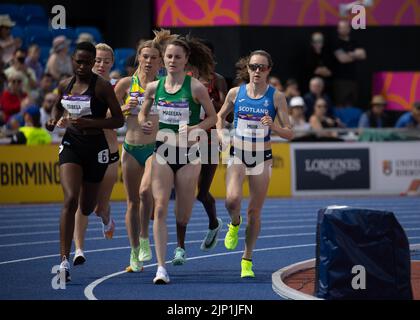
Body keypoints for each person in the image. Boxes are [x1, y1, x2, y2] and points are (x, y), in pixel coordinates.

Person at [138, 36, 217, 284]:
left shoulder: (195, 87)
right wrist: (144, 121)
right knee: (159, 206)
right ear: (164, 59)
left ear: (186, 61)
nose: (172, 61)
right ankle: (161, 267)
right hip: (162, 150)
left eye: (177, 57)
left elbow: (213, 118)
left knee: (182, 213)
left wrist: (196, 128)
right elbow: (142, 111)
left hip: (188, 155)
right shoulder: (154, 87)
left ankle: (180, 245)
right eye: (169, 56)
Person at [45, 42, 124, 282]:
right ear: (72, 60)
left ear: (92, 63)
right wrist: (53, 120)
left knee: (87, 206)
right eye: (78, 62)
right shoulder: (65, 84)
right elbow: (57, 107)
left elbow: (119, 120)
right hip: (71, 145)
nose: (82, 66)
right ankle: (63, 260)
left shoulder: (101, 88)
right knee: (70, 199)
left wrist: (92, 123)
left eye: (86, 63)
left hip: (96, 148)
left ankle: (99, 216)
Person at [216, 50, 293, 278]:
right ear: (247, 68)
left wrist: (274, 127)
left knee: (254, 211)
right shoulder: (234, 93)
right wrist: (221, 135)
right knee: (232, 200)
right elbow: (220, 117)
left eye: (262, 67)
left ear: (269, 70)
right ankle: (234, 222)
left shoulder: (276, 97)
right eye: (253, 66)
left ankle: (247, 259)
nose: (257, 71)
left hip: (262, 158)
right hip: (238, 152)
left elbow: (290, 133)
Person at [114, 38, 165, 273]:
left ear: (160, 62)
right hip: (130, 148)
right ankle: (134, 251)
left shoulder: (165, 86)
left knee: (146, 192)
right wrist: (124, 109)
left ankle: (145, 238)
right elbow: (108, 116)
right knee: (132, 202)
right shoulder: (125, 84)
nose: (148, 61)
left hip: (155, 149)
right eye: (145, 57)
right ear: (139, 58)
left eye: (153, 58)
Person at [72, 43, 120, 265]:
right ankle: (79, 250)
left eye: (105, 61)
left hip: (108, 152)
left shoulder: (116, 86)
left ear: (112, 63)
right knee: (82, 203)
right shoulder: (77, 84)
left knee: (100, 208)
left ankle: (107, 219)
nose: (101, 64)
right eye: (97, 60)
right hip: (81, 149)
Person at [178, 37, 226, 253]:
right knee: (184, 191)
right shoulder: (184, 78)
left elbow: (227, 111)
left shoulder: (218, 80)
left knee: (201, 193)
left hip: (210, 140)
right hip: (185, 140)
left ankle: (214, 223)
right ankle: (180, 246)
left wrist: (207, 99)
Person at [332, 19, 367, 107]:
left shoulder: (354, 42)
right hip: (340, 80)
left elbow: (363, 55)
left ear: (349, 29)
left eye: (345, 27)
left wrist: (349, 54)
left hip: (353, 79)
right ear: (338, 29)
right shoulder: (336, 43)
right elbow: (342, 59)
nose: (344, 29)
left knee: (352, 103)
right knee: (340, 104)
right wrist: (355, 54)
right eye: (341, 28)